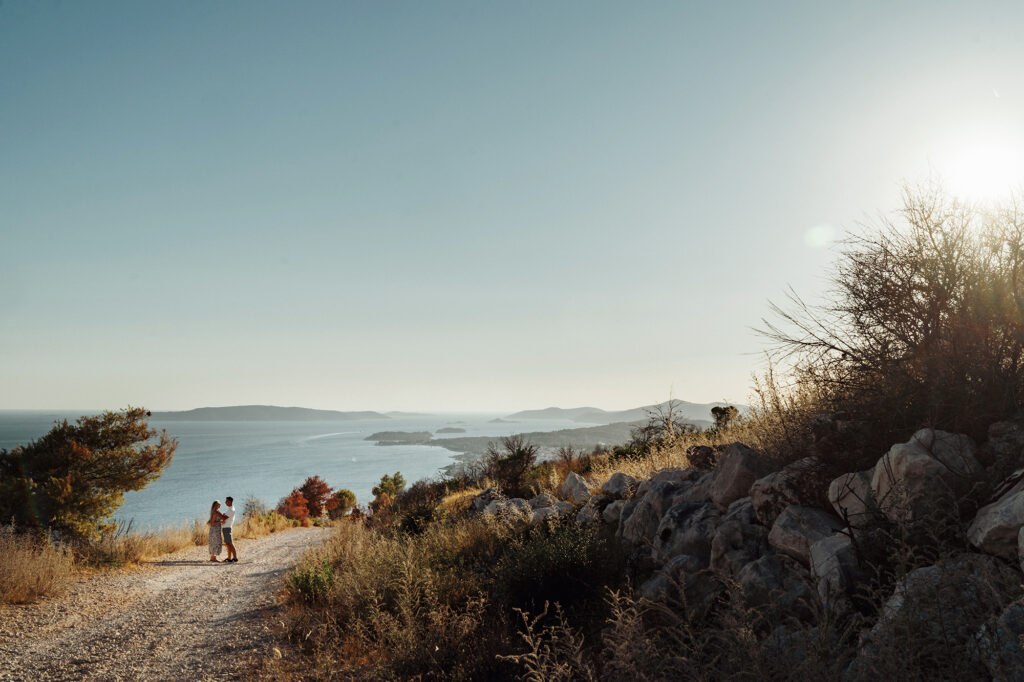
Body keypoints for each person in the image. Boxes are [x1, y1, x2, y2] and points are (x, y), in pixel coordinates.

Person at [222, 496, 238, 563]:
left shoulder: (231, 510)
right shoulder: (230, 509)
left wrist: (221, 515)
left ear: (229, 501)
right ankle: (229, 558)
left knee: (230, 543)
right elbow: (224, 517)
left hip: (227, 528)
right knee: (227, 544)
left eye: (226, 501)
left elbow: (224, 517)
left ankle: (235, 557)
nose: (225, 502)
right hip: (226, 527)